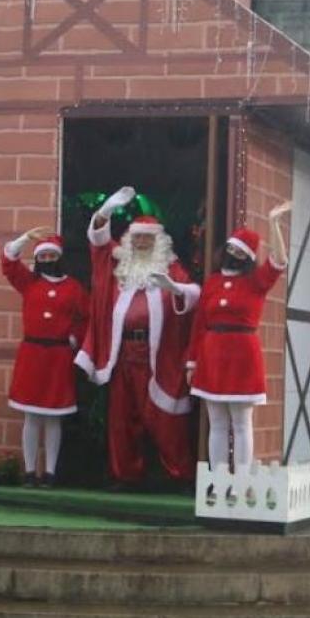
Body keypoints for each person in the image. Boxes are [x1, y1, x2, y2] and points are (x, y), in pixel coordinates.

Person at [78, 186, 198, 485]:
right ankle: (125, 474)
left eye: (148, 237)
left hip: (157, 355)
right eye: (138, 237)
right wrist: (105, 212)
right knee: (121, 418)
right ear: (130, 241)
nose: (143, 242)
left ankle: (178, 474)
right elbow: (98, 244)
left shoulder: (171, 269)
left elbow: (196, 294)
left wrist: (176, 289)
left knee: (165, 418)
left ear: (159, 242)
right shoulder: (119, 267)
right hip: (122, 355)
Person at [185, 203, 292, 472]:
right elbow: (200, 324)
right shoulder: (212, 282)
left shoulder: (256, 281)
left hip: (243, 355)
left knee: (242, 422)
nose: (233, 254)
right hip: (212, 355)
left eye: (239, 252)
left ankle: (241, 481)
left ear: (248, 257)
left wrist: (274, 223)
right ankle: (219, 479)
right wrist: (192, 362)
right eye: (230, 249)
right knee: (217, 421)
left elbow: (279, 261)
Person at [1, 227, 89, 487]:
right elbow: (8, 262)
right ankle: (30, 471)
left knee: (53, 416)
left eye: (52, 256)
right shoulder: (28, 283)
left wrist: (74, 337)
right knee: (31, 416)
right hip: (32, 355)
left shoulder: (74, 288)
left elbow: (86, 318)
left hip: (59, 357)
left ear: (59, 258)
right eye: (43, 257)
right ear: (37, 259)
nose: (47, 261)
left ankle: (50, 471)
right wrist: (25, 239)